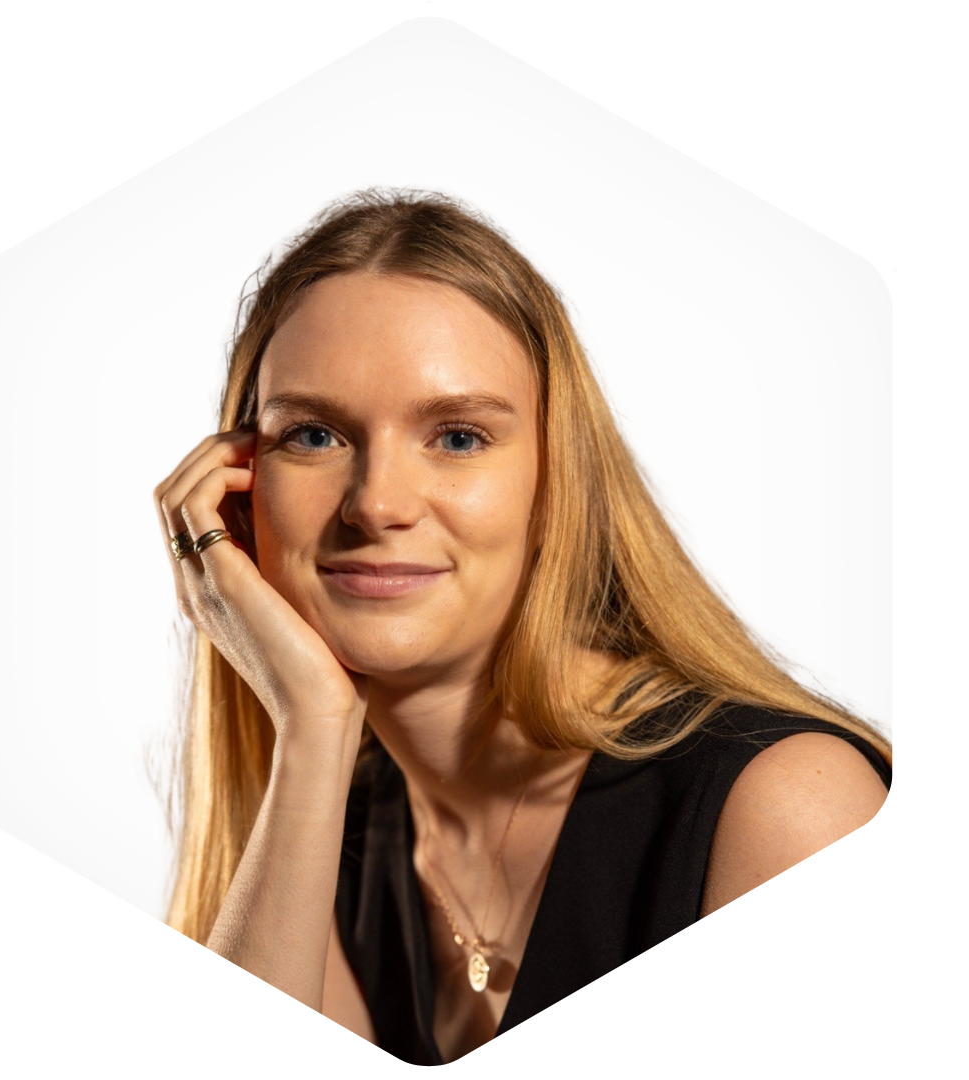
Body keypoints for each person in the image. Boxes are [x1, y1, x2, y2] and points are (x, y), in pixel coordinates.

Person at [148, 185, 891, 1064]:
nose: (377, 503)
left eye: (458, 437)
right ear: (237, 492)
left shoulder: (787, 810)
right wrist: (311, 728)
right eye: (313, 435)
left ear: (555, 480)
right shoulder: (327, 823)